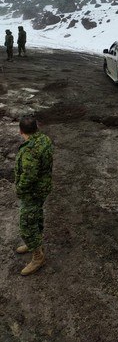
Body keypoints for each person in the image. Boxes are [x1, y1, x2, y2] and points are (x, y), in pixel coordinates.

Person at [15, 115, 53, 276]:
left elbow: (29, 176)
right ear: (36, 127)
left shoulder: (30, 150)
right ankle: (36, 244)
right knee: (36, 216)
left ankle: (38, 257)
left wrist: (19, 190)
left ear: (21, 131)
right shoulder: (44, 139)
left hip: (32, 192)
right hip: (42, 189)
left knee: (25, 225)